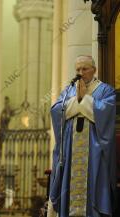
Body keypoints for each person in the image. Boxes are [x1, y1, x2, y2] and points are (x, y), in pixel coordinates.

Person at [47, 55, 117, 217]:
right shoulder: (68, 90)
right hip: (71, 150)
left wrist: (83, 100)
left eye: (84, 69)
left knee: (93, 184)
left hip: (94, 151)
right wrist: (79, 101)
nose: (80, 73)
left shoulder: (105, 90)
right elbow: (56, 111)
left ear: (94, 70)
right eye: (77, 69)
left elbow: (106, 112)